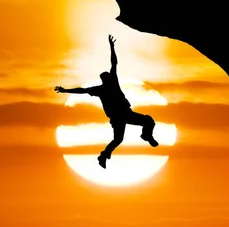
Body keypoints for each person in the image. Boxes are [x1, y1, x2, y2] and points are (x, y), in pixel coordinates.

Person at [55, 35, 158, 169]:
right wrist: (65, 91)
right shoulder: (102, 88)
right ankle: (104, 156)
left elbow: (113, 63)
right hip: (119, 116)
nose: (110, 77)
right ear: (105, 79)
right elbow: (83, 90)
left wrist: (112, 47)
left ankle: (144, 136)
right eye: (108, 77)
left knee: (146, 122)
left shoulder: (107, 85)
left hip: (124, 113)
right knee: (122, 137)